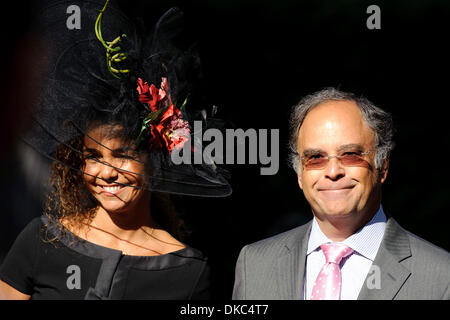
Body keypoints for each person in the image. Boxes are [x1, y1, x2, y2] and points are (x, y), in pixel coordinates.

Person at [0, 0, 231, 300]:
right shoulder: (42, 240)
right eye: (93, 157)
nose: (106, 172)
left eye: (123, 155)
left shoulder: (188, 270)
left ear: (154, 161)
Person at [232, 88, 450, 300]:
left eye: (350, 155)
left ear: (382, 166)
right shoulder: (254, 264)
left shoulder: (441, 276)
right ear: (299, 173)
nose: (333, 171)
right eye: (316, 157)